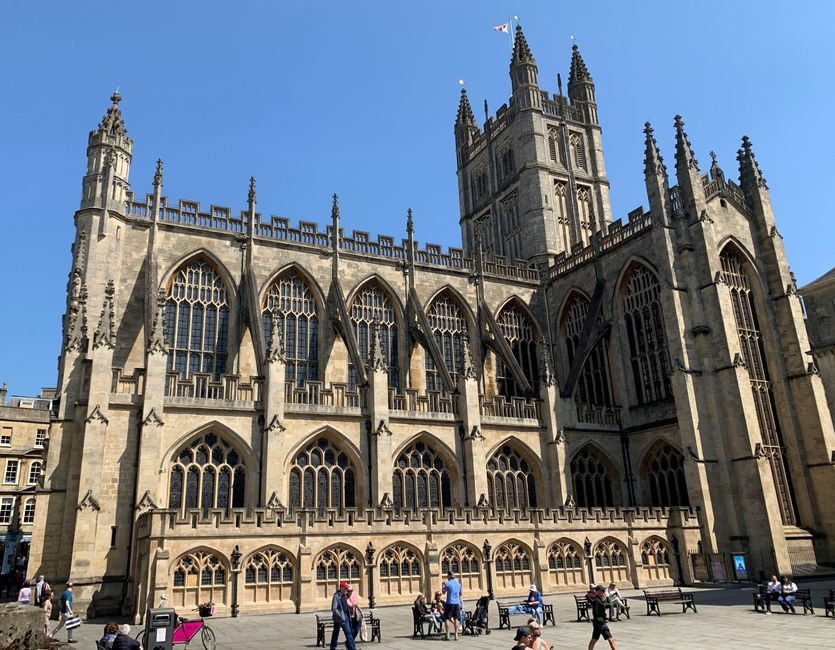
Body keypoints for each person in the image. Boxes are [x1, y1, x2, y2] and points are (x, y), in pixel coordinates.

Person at [588, 585, 617, 650]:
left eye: (604, 591)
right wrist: (603, 611)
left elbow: (610, 605)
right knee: (610, 639)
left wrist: (607, 599)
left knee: (594, 639)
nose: (604, 592)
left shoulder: (600, 599)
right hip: (600, 623)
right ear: (598, 591)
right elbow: (595, 612)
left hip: (599, 623)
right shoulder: (597, 601)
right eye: (602, 591)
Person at [329, 581, 356, 650]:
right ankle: (333, 647)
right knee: (336, 633)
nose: (346, 590)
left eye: (347, 589)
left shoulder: (344, 595)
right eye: (345, 588)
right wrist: (341, 616)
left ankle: (352, 648)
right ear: (341, 588)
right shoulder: (336, 596)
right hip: (339, 618)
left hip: (346, 616)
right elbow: (334, 609)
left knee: (348, 633)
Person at [442, 570, 463, 641]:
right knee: (456, 619)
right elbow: (461, 594)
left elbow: (443, 592)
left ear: (448, 576)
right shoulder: (458, 584)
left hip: (449, 603)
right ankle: (456, 635)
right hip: (457, 603)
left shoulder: (447, 583)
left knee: (447, 619)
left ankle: (447, 635)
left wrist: (443, 585)